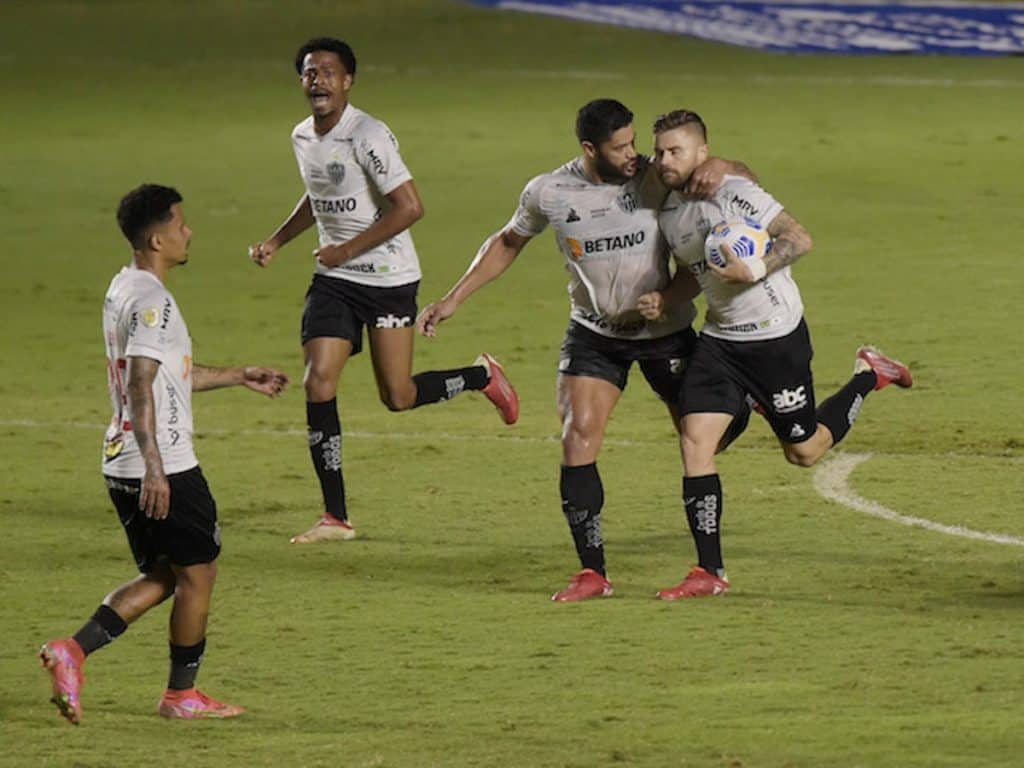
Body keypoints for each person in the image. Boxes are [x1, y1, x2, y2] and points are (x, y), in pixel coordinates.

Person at [416, 99, 753, 602]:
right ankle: (593, 572)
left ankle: (713, 554)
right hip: (596, 336)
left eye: (634, 142)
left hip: (667, 332)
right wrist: (452, 299)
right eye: (620, 148)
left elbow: (732, 181)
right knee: (578, 438)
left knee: (707, 440)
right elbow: (508, 241)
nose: (633, 155)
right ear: (590, 149)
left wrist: (723, 165)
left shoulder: (653, 177)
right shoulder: (550, 192)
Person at [248, 37, 518, 545]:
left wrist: (346, 249)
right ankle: (336, 516)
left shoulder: (367, 135)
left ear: (347, 81)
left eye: (329, 71)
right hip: (334, 282)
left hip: (389, 279)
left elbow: (410, 207)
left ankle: (481, 377)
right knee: (318, 380)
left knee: (398, 395)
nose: (317, 79)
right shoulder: (303, 136)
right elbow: (319, 193)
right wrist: (278, 240)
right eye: (309, 71)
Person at [40, 184, 290, 724]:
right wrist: (156, 467)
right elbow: (139, 383)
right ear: (157, 237)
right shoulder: (154, 302)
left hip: (119, 460)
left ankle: (73, 651)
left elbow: (166, 377)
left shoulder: (125, 287)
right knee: (198, 575)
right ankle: (182, 695)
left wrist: (238, 375)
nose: (188, 231)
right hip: (164, 463)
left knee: (164, 574)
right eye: (180, 223)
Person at [647, 109, 913, 599]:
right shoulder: (666, 210)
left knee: (805, 452)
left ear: (702, 153)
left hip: (775, 339)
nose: (664, 160)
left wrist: (757, 269)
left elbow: (799, 238)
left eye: (676, 151)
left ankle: (868, 374)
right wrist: (667, 296)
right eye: (660, 150)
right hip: (721, 341)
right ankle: (709, 572)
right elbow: (696, 273)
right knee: (695, 443)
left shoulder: (737, 193)